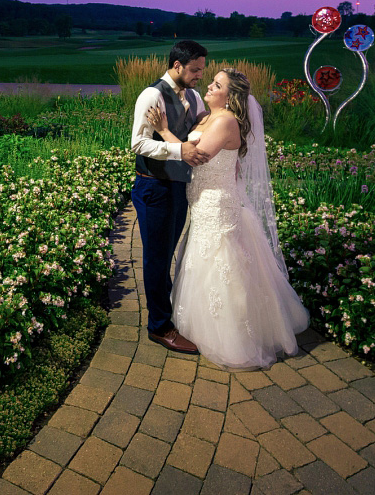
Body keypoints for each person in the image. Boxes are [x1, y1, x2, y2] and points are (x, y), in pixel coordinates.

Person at [147, 68, 310, 369]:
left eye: (217, 85)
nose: (209, 86)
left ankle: (234, 336)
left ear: (230, 96)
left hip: (217, 203)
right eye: (211, 82)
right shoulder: (204, 118)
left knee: (224, 262)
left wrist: (162, 130)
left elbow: (197, 155)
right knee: (203, 261)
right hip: (201, 201)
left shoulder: (226, 120)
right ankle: (201, 323)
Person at [130, 40, 210, 354]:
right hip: (154, 187)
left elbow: (201, 127)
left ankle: (167, 310)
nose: (199, 75)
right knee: (156, 258)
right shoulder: (151, 95)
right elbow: (137, 144)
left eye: (202, 69)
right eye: (195, 70)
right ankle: (159, 327)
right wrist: (178, 150)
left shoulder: (194, 94)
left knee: (167, 252)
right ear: (177, 65)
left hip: (179, 186)